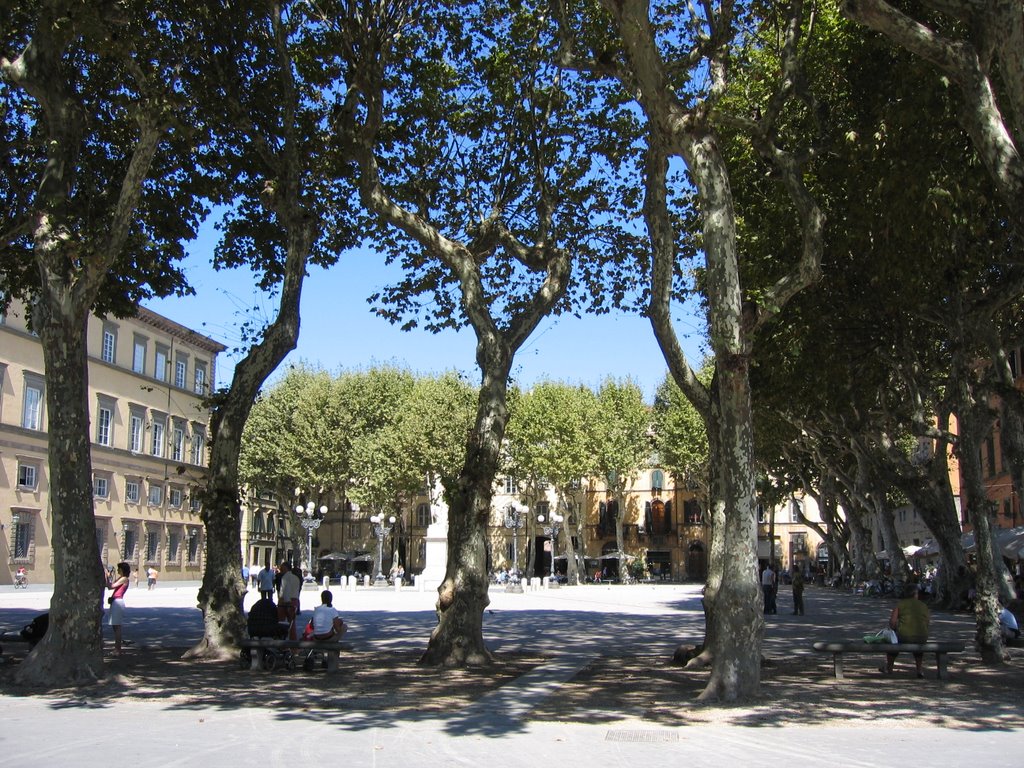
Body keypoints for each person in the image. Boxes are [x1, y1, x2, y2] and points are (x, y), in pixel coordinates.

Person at [883, 582, 930, 677]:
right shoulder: (923, 605)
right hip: (922, 636)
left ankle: (889, 667)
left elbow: (892, 622)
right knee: (918, 646)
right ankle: (919, 670)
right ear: (916, 594)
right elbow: (927, 622)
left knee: (893, 642)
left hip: (904, 636)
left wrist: (896, 628)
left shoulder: (900, 604)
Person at [107, 561, 131, 654]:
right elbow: (109, 586)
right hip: (115, 602)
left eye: (118, 569)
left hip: (118, 602)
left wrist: (107, 576)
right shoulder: (120, 578)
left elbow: (111, 586)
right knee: (115, 626)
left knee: (117, 627)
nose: (117, 570)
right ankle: (117, 648)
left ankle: (118, 649)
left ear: (122, 570)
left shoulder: (124, 579)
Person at [277, 561, 302, 640]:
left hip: (286, 601)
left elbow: (284, 591)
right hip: (295, 600)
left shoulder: (285, 577)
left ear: (285, 568)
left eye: (282, 568)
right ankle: (293, 640)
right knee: (292, 623)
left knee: (280, 622)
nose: (280, 570)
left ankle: (281, 639)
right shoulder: (296, 578)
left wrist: (281, 601)